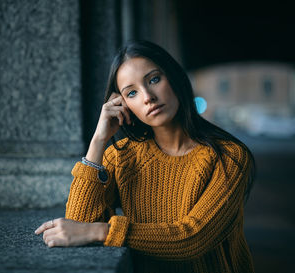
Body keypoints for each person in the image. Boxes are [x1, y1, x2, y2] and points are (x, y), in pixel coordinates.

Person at [35, 40, 256, 273]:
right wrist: (98, 140)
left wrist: (101, 232)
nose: (147, 97)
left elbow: (193, 237)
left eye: (154, 79)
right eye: (132, 93)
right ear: (124, 104)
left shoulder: (229, 156)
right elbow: (78, 222)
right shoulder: (122, 157)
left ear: (174, 77)